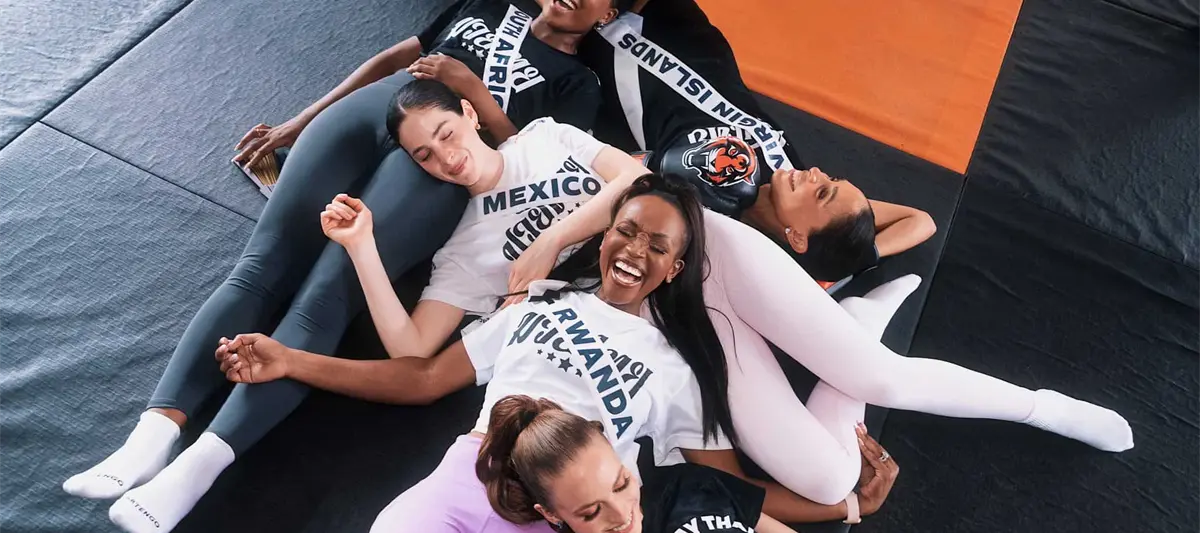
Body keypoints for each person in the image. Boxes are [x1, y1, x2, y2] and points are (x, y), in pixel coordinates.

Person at [228, 81, 1130, 523]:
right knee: (830, 474)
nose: (446, 158)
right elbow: (419, 370)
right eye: (428, 156)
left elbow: (646, 187)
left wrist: (550, 241)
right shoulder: (596, 447)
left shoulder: (555, 229)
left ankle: (1040, 406)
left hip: (690, 251)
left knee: (872, 373)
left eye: (447, 139)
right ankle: (856, 315)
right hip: (699, 341)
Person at [61, 2, 632, 532]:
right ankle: (153, 432)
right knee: (260, 262)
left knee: (325, 290)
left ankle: (198, 467)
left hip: (441, 161)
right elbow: (397, 58)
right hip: (393, 104)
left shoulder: (575, 85)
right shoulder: (484, 4)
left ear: (608, 13)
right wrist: (299, 124)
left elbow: (525, 148)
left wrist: (471, 98)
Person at [214, 174, 898, 530]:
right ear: (605, 235)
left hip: (568, 515)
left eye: (659, 246)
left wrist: (847, 509)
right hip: (461, 485)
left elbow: (732, 491)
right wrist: (291, 360)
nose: (635, 251)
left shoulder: (681, 368)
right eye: (627, 231)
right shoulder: (539, 306)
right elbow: (423, 376)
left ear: (675, 268)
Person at [577, 0, 937, 281]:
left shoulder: (719, 226)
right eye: (832, 180)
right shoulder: (790, 177)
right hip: (676, 28)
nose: (816, 174)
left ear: (797, 237)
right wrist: (858, 259)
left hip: (596, 51)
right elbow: (920, 220)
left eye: (824, 192)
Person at [473, 394, 897, 533]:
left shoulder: (688, 483)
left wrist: (853, 509)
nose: (624, 516)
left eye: (621, 484)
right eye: (591, 513)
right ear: (551, 515)